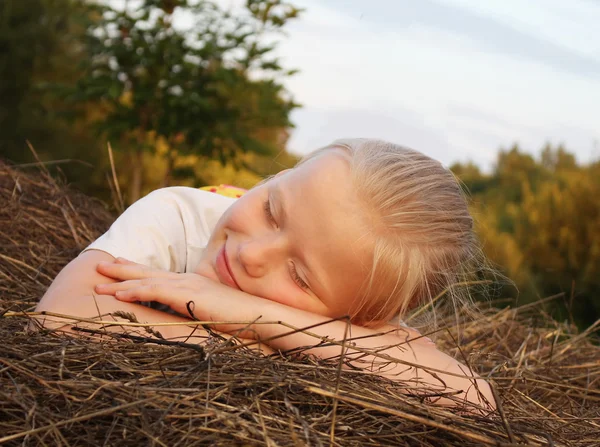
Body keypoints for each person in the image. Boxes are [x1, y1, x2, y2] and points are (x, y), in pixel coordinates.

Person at [35, 138, 495, 411]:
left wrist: (245, 312)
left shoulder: (365, 285)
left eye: (298, 277)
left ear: (364, 319)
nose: (252, 254)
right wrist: (279, 347)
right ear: (277, 175)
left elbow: (475, 399)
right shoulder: (179, 214)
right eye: (271, 209)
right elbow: (59, 312)